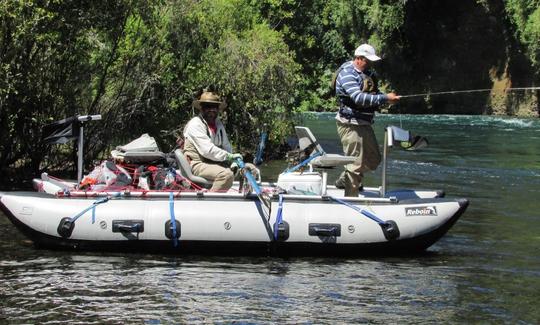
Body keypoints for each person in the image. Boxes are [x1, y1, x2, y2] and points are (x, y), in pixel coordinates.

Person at [334, 43, 400, 197]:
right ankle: (351, 199)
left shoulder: (366, 73)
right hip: (350, 124)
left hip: (364, 123)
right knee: (355, 165)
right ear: (358, 58)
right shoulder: (347, 74)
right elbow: (358, 98)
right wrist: (384, 98)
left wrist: (387, 98)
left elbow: (374, 92)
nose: (370, 63)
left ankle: (344, 179)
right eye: (367, 60)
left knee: (373, 159)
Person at [183, 91, 243, 192]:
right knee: (226, 175)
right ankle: (209, 200)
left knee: (250, 169)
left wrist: (232, 161)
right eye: (207, 106)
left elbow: (226, 146)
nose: (211, 110)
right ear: (202, 108)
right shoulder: (195, 124)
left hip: (215, 161)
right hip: (197, 164)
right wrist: (228, 157)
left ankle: (244, 196)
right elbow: (208, 151)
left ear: (218, 109)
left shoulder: (218, 124)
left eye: (214, 107)